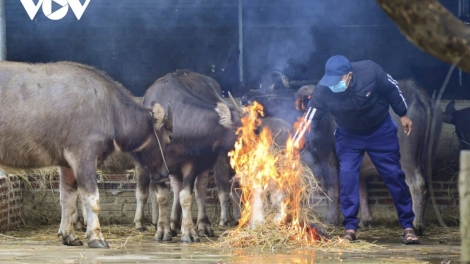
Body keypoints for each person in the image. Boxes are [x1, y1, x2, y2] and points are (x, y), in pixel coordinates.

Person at [302, 55, 419, 244]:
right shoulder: (324, 89)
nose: (333, 85)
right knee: (347, 176)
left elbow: (392, 89)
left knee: (394, 176)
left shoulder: (370, 72)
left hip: (380, 130)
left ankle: (407, 226)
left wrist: (403, 114)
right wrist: (297, 141)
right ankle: (350, 228)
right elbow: (309, 118)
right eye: (330, 81)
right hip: (349, 135)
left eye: (337, 81)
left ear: (349, 76)